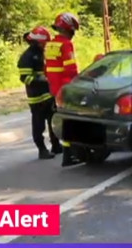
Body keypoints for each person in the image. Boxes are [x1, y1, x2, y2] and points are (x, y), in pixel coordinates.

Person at [18, 26, 62, 160]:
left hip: (48, 94)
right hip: (36, 97)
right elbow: (25, 78)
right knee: (38, 125)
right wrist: (43, 80)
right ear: (36, 42)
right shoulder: (27, 57)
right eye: (44, 43)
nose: (45, 45)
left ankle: (56, 145)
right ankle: (42, 149)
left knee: (52, 121)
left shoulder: (43, 53)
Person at [44, 12, 82, 167]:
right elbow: (71, 69)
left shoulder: (50, 45)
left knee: (64, 118)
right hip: (66, 88)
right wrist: (78, 84)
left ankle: (68, 154)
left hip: (55, 88)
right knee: (70, 120)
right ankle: (69, 155)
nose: (73, 34)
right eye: (73, 31)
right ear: (68, 29)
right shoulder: (66, 44)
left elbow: (47, 69)